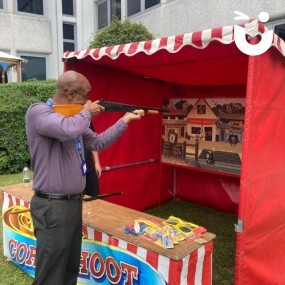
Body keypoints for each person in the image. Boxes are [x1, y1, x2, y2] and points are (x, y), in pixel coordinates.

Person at [25, 70, 144, 285]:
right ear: (69, 94)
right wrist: (86, 113)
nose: (87, 101)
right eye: (84, 97)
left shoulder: (74, 120)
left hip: (73, 204)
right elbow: (65, 130)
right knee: (50, 274)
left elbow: (98, 143)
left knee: (70, 269)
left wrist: (125, 120)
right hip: (52, 206)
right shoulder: (38, 112)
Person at [84, 121, 101, 197]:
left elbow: (93, 141)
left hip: (89, 166)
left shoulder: (86, 119)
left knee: (95, 197)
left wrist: (97, 163)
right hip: (74, 171)